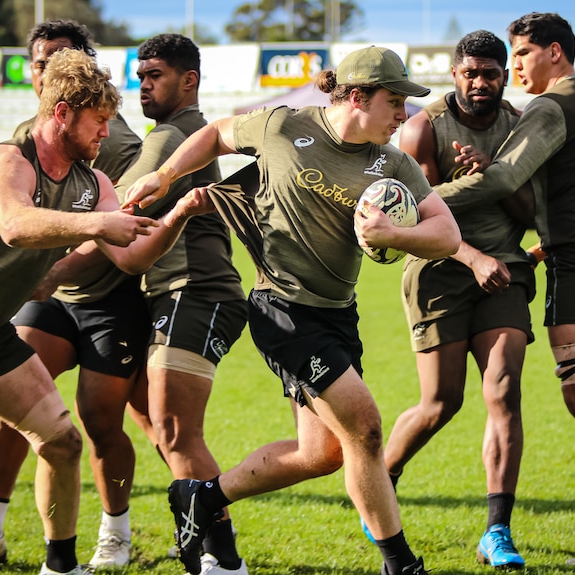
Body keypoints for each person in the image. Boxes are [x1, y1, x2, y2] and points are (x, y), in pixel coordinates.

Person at [123, 46, 461, 575]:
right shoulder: (282, 127)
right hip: (281, 308)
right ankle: (401, 564)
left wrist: (396, 234)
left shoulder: (391, 163)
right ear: (356, 96)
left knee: (322, 453)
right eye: (394, 101)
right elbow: (214, 134)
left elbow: (446, 232)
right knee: (367, 429)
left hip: (338, 314)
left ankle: (203, 497)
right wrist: (164, 176)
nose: (404, 115)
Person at [0, 48, 198, 575]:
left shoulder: (92, 183)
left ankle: (60, 565)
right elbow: (16, 225)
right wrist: (96, 226)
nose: (105, 133)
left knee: (61, 441)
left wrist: (182, 212)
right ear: (62, 113)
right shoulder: (6, 161)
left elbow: (131, 252)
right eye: (98, 121)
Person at [429, 13, 575, 567]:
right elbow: (559, 184)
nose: (515, 68)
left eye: (523, 55)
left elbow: (506, 180)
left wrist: (418, 204)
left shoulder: (551, 104)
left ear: (555, 52)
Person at [0, 20, 150, 571]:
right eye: (41, 62)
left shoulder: (109, 136)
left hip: (108, 296)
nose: (49, 71)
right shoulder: (25, 135)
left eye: (61, 60)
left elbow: (114, 228)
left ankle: (115, 533)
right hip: (52, 297)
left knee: (102, 423)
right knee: (15, 407)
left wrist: (51, 270)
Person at [378, 30, 534, 570]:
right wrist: (472, 257)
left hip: (505, 273)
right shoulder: (423, 129)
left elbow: (532, 211)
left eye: (490, 73)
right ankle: (382, 479)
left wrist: (494, 174)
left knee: (505, 391)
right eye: (470, 72)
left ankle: (497, 530)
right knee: (441, 403)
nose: (480, 82)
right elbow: (418, 216)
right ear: (454, 73)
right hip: (440, 273)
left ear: (505, 73)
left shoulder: (519, 128)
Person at [113, 33, 250, 575]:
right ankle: (197, 537)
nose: (143, 86)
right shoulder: (176, 134)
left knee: (174, 431)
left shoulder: (174, 135)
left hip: (197, 293)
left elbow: (117, 210)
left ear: (188, 80)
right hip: (174, 294)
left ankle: (224, 558)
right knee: (154, 422)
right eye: (140, 77)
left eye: (156, 76)